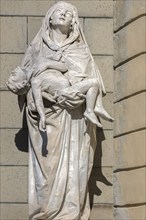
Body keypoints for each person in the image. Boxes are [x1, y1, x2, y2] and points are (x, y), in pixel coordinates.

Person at [7, 2, 114, 220]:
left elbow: (88, 82)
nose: (64, 13)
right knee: (47, 172)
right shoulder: (36, 49)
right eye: (59, 11)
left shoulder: (81, 51)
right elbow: (25, 84)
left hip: (75, 118)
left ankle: (70, 213)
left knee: (75, 167)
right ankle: (46, 212)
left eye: (69, 13)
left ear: (73, 22)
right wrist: (40, 105)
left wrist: (75, 97)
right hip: (46, 122)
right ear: (49, 18)